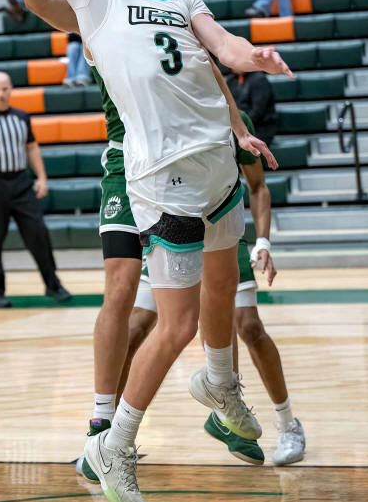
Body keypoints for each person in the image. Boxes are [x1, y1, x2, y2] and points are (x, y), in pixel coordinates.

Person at [0, 0, 293, 502]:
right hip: (164, 174)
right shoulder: (94, 1)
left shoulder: (180, 0)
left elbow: (222, 48)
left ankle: (219, 384)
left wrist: (254, 58)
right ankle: (113, 442)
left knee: (220, 294)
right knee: (174, 321)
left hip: (218, 167)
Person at [119, 110, 306, 467]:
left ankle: (287, 424)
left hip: (219, 232)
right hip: (171, 227)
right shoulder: (156, 109)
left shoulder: (233, 118)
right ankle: (108, 436)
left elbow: (257, 186)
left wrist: (263, 241)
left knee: (248, 325)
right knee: (136, 327)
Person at [0, 72, 71, 308]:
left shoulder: (22, 117)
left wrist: (41, 177)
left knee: (38, 234)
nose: (1, 93)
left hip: (21, 183)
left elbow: (32, 148)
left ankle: (53, 285)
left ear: (11, 89)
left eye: (5, 89)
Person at [226, 71, 278, 148]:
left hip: (259, 128)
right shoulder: (231, 79)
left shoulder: (259, 79)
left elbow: (258, 111)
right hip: (237, 126)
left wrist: (239, 124)